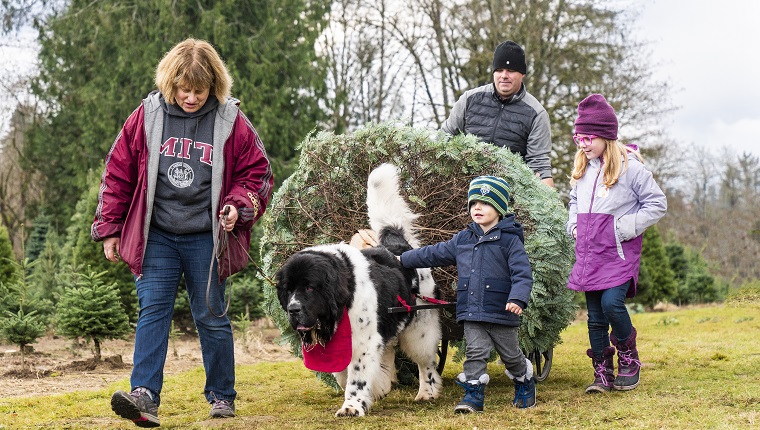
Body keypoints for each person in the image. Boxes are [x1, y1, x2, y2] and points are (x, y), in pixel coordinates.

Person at [91, 38, 273, 427]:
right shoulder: (147, 115)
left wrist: (237, 206)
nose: (190, 97)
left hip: (205, 236)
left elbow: (257, 173)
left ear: (214, 86)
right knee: (153, 310)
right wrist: (109, 229)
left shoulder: (230, 121)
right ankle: (144, 396)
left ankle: (222, 395)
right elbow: (117, 172)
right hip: (156, 233)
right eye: (183, 89)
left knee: (210, 315)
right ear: (170, 83)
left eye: (199, 90)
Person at [399, 176, 536, 412]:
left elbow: (523, 274)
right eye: (473, 204)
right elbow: (434, 253)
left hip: (502, 312)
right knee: (475, 353)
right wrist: (402, 259)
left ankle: (524, 383)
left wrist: (517, 299)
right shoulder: (463, 239)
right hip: (472, 311)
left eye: (486, 203)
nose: (478, 208)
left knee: (511, 356)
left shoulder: (510, 241)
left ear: (500, 208)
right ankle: (473, 397)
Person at [566, 94, 666, 394]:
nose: (583, 144)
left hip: (618, 253)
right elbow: (573, 201)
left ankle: (628, 355)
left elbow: (657, 203)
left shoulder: (631, 168)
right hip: (589, 254)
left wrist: (621, 229)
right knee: (595, 317)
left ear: (606, 135)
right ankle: (602, 372)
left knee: (612, 304)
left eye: (588, 137)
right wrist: (572, 225)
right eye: (578, 138)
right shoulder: (583, 168)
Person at [441, 40, 555, 188]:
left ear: (522, 74)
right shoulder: (469, 99)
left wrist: (553, 204)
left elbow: (539, 165)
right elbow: (444, 137)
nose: (504, 75)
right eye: (499, 70)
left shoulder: (537, 114)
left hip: (509, 196)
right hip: (462, 191)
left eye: (511, 70)